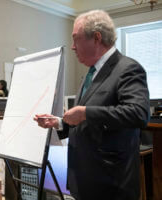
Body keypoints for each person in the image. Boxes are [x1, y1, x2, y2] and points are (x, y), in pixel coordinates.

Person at [34, 10, 150, 200]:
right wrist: (60, 122)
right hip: (85, 180)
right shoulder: (91, 73)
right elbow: (85, 120)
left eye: (75, 39)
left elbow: (139, 113)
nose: (72, 47)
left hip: (111, 183)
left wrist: (86, 112)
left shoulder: (128, 68)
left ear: (96, 38)